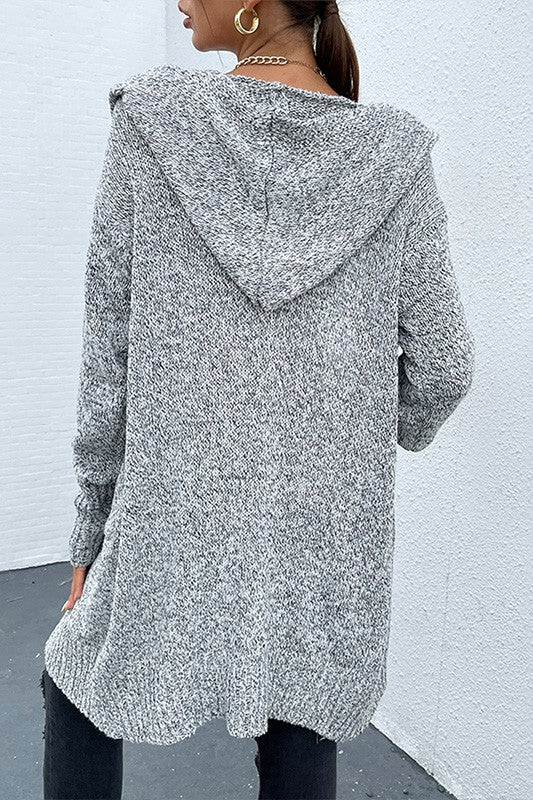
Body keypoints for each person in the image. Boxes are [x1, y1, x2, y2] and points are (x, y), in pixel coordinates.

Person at [40, 0, 476, 798]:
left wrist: (91, 525)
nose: (180, 2)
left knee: (79, 679)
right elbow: (444, 367)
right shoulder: (394, 155)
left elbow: (110, 357)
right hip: (325, 527)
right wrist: (361, 430)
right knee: (301, 714)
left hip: (172, 511)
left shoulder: (153, 122)